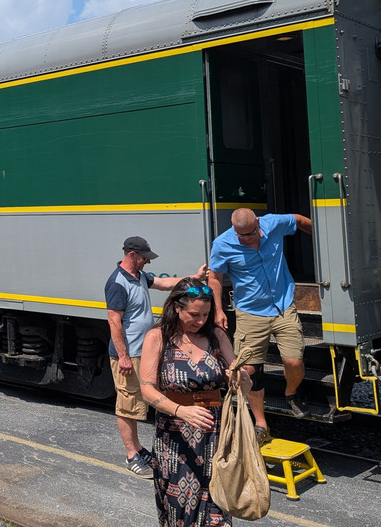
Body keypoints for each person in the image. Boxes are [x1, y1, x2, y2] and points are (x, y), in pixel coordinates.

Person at [139, 277, 249, 527]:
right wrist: (181, 411)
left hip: (216, 435)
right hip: (175, 438)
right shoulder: (158, 337)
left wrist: (240, 378)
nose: (200, 321)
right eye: (194, 314)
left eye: (205, 314)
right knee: (180, 510)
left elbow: (236, 375)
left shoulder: (217, 335)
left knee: (218, 505)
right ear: (177, 307)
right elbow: (147, 389)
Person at [105, 236, 208, 478]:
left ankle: (140, 450)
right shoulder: (117, 283)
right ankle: (131, 456)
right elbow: (114, 322)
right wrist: (123, 357)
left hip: (145, 351)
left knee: (143, 400)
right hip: (130, 353)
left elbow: (164, 283)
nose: (147, 263)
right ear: (132, 255)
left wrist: (194, 278)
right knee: (128, 404)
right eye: (144, 258)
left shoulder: (139, 276)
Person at [208, 208, 312, 446]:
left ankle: (291, 394)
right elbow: (215, 277)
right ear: (234, 230)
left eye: (251, 233)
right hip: (250, 311)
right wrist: (219, 310)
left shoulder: (273, 223)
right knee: (249, 372)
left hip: (283, 305)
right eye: (241, 235)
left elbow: (297, 219)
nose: (247, 238)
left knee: (294, 361)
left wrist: (320, 234)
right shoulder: (222, 244)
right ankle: (261, 424)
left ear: (258, 223)